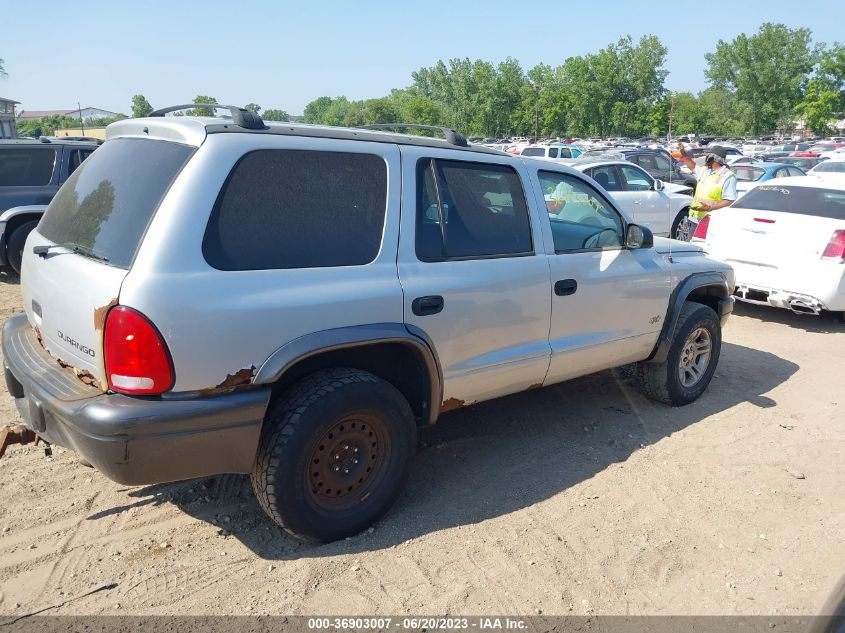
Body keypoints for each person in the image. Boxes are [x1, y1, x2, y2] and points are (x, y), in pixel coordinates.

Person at [676, 143, 737, 239]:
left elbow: (729, 200)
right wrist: (683, 152)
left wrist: (709, 207)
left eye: (708, 157)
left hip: (709, 220)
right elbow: (691, 165)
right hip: (694, 218)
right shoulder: (705, 171)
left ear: (714, 159)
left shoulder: (727, 176)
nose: (706, 159)